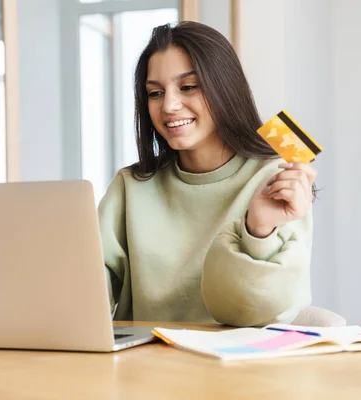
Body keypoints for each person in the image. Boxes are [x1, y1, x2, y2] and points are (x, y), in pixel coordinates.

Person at [98, 21, 317, 327]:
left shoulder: (277, 177)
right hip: (145, 365)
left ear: (224, 88)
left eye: (188, 87)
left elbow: (262, 310)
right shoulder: (131, 185)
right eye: (155, 93)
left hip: (243, 363)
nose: (169, 106)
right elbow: (87, 288)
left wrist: (259, 230)